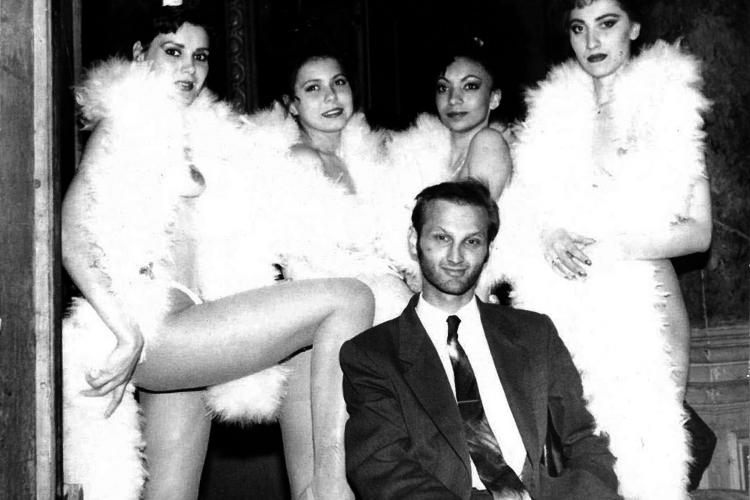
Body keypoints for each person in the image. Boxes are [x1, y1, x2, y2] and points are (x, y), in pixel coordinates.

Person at [62, 4, 376, 500]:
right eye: (173, 52)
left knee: (171, 495)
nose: (189, 68)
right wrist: (125, 332)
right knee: (350, 300)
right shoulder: (125, 121)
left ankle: (313, 489)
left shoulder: (199, 133)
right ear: (140, 54)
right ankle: (332, 488)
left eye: (201, 56)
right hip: (153, 327)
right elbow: (70, 235)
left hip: (189, 329)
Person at [481, 0, 712, 498]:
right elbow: (526, 210)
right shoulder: (551, 112)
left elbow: (699, 233)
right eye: (579, 28)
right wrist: (549, 233)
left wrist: (608, 243)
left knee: (646, 464)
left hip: (643, 302)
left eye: (607, 24)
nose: (592, 42)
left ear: (634, 26)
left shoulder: (667, 101)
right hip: (562, 308)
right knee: (579, 469)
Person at [340, 180, 620, 500]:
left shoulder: (534, 333)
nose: (456, 256)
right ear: (414, 239)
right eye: (442, 238)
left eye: (471, 241)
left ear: (488, 249)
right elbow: (382, 468)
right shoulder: (373, 354)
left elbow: (584, 436)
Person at [434, 39, 513, 199]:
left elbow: (467, 214)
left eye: (470, 86)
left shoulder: (489, 142)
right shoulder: (424, 153)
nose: (453, 99)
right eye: (443, 87)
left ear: (494, 99)